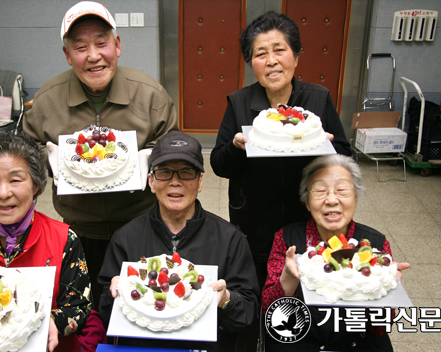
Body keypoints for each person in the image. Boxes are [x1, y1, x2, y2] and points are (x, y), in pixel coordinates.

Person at [22, 1, 178, 308]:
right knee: (88, 309)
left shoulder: (149, 95)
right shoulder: (46, 100)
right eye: (80, 47)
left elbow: (174, 156)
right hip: (79, 231)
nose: (93, 56)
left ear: (117, 45)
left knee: (143, 304)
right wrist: (47, 158)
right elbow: (23, 159)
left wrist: (151, 160)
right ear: (68, 55)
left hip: (141, 227)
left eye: (102, 43)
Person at [210, 10, 352, 291]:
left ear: (296, 55)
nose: (271, 61)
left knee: (310, 286)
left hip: (309, 219)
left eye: (280, 50)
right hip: (254, 220)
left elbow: (347, 159)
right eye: (260, 53)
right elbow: (218, 164)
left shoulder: (318, 99)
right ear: (251, 63)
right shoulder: (239, 103)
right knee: (258, 287)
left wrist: (325, 147)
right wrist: (238, 147)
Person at [0, 132, 104, 352]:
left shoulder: (65, 239)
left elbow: (80, 308)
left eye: (15, 180)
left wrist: (50, 323)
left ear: (35, 186)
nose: (3, 193)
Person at [97, 131, 259, 352]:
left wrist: (227, 300)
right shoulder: (126, 238)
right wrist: (113, 294)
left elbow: (249, 312)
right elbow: (104, 313)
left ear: (200, 181)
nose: (175, 182)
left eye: (186, 172)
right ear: (151, 182)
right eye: (164, 172)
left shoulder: (230, 239)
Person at [262, 154, 411, 351]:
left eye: (341, 190)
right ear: (307, 202)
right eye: (320, 191)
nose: (332, 200)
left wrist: (384, 291)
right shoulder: (287, 239)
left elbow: (380, 328)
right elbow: (270, 312)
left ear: (356, 198)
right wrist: (288, 280)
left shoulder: (375, 244)